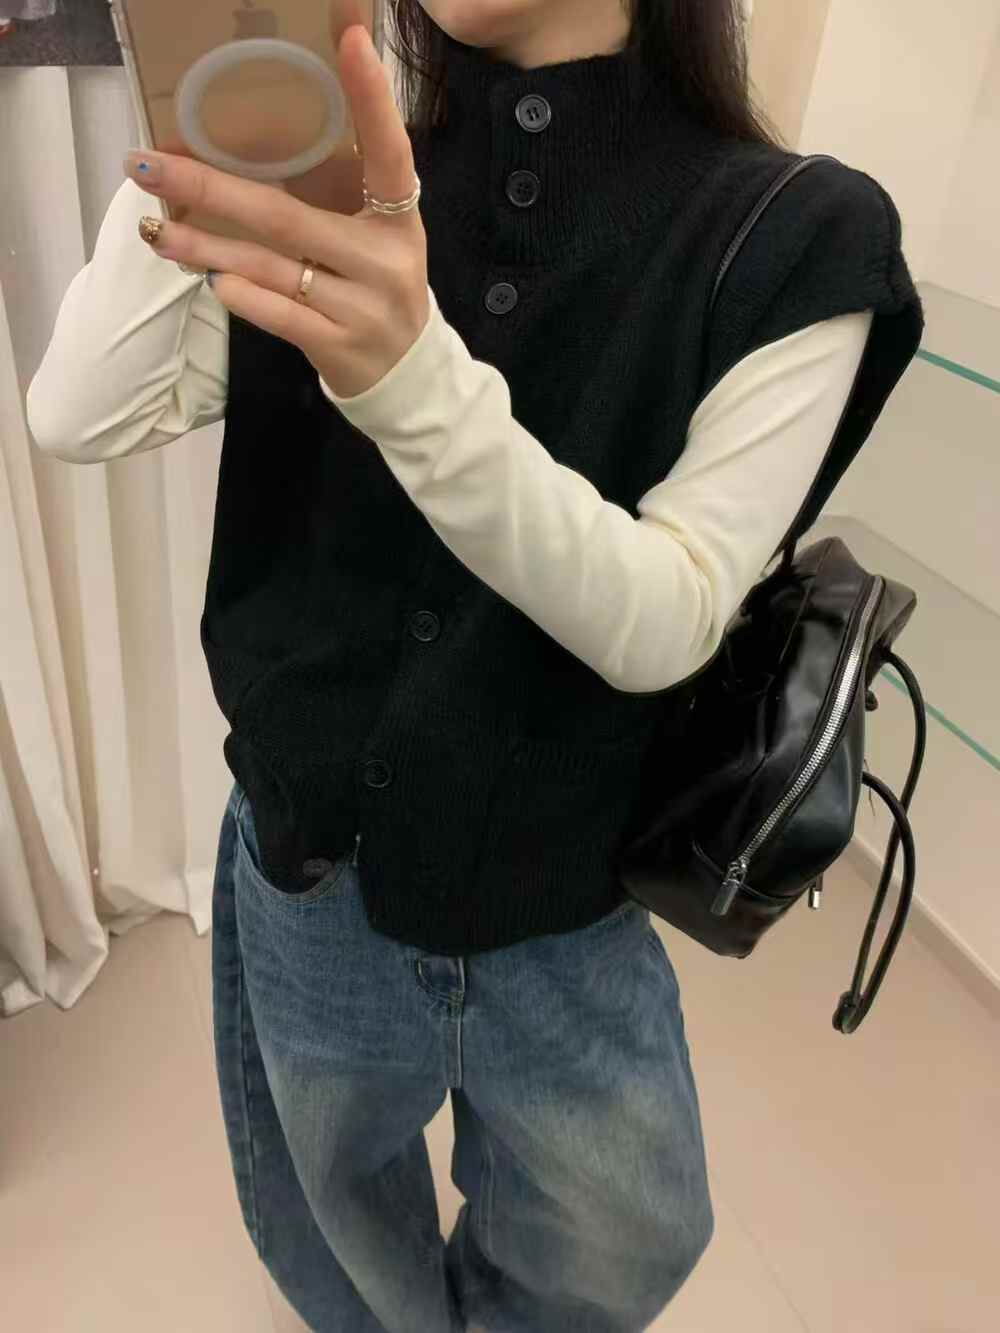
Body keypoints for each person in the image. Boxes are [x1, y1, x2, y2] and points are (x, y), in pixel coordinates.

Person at [27, 2, 923, 1330]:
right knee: (332, 1216)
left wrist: (407, 377)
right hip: (309, 864)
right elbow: (80, 407)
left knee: (628, 1234)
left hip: (563, 890)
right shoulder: (338, 178)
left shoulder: (792, 233)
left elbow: (667, 614)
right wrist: (197, 150)